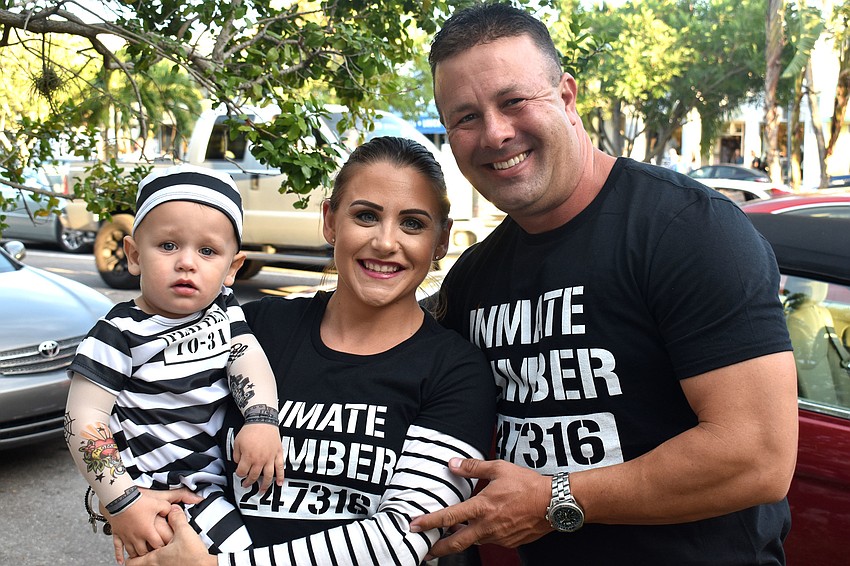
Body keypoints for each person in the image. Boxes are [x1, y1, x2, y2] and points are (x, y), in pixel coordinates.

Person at [407, 3, 799, 565]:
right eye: (465, 117)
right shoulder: (475, 276)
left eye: (514, 101)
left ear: (566, 97)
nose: (494, 133)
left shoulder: (685, 229)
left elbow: (758, 456)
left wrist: (556, 500)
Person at [124, 136, 497, 566]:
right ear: (330, 221)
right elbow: (147, 420)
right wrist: (123, 505)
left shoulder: (456, 371)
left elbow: (407, 533)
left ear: (440, 240)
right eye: (366, 216)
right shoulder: (255, 328)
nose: (385, 242)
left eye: (412, 223)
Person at [65, 164, 285, 560]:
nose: (187, 262)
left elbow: (246, 357)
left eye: (208, 251)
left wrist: (262, 419)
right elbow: (82, 420)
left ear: (232, 268)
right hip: (148, 492)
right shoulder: (118, 332)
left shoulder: (223, 310)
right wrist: (121, 500)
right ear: (133, 255)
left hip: (209, 491)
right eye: (168, 246)